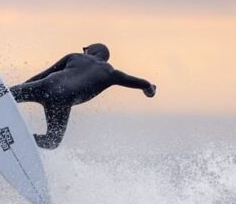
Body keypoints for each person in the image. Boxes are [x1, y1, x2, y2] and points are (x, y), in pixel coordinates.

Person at [10, 43, 156, 149]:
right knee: (52, 142)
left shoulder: (74, 56)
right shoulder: (112, 74)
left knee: (9, 95)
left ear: (91, 51)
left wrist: (21, 90)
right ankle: (21, 139)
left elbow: (42, 75)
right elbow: (143, 83)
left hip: (46, 85)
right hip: (62, 102)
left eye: (86, 50)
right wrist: (150, 89)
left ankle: (1, 96)